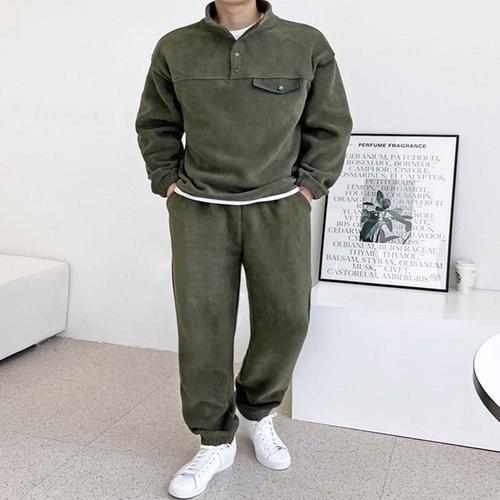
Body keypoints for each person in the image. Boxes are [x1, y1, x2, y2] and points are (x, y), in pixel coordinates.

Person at [135, 0, 353, 497]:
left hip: (279, 205)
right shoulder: (175, 47)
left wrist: (309, 186)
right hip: (199, 208)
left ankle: (257, 410)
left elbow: (331, 123)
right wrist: (167, 181)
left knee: (288, 317)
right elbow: (156, 123)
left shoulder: (306, 43)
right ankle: (215, 439)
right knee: (203, 324)